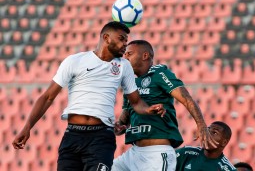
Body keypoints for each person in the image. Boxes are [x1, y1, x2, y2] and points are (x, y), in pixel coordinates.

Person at [12, 22, 166, 171]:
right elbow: (47, 97)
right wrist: (27, 127)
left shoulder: (123, 66)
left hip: (101, 137)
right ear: (106, 38)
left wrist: (148, 109)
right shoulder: (74, 61)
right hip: (72, 135)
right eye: (121, 39)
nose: (125, 44)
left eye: (126, 40)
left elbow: (136, 101)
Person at [112, 40, 218, 171]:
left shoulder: (159, 73)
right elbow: (126, 116)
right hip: (133, 153)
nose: (125, 57)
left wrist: (201, 125)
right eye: (125, 54)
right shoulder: (130, 82)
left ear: (145, 56)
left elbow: (186, 99)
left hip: (156, 153)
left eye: (129, 54)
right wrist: (119, 126)